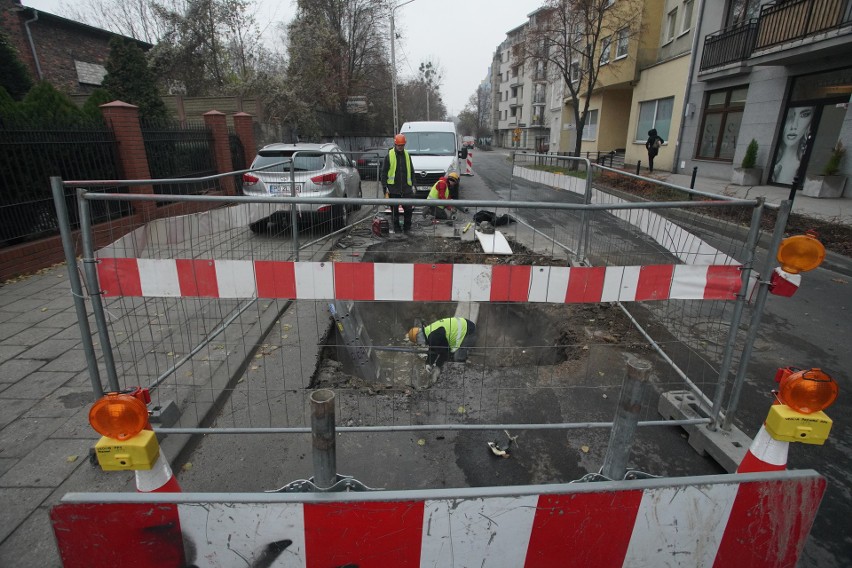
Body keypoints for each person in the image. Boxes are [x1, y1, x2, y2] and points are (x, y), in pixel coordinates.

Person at [407, 317, 477, 370]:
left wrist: (438, 366)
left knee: (457, 358)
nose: (420, 344)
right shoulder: (429, 331)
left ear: (418, 337)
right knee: (449, 357)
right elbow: (433, 349)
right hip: (465, 325)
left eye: (418, 342)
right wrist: (429, 363)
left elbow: (446, 351)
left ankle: (461, 373)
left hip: (469, 332)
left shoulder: (434, 337)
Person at [380, 134, 416, 234]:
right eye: (399, 145)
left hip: (406, 189)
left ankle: (407, 228)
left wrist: (413, 185)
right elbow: (384, 172)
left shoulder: (407, 155)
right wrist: (384, 187)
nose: (400, 147)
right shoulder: (389, 155)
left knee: (408, 209)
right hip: (393, 189)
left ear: (404, 145)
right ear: (395, 144)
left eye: (402, 145)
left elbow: (412, 171)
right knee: (394, 211)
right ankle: (397, 229)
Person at [772, 106, 813, 185]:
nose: (794, 126)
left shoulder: (800, 166)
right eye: (791, 116)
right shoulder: (776, 165)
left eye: (804, 115)